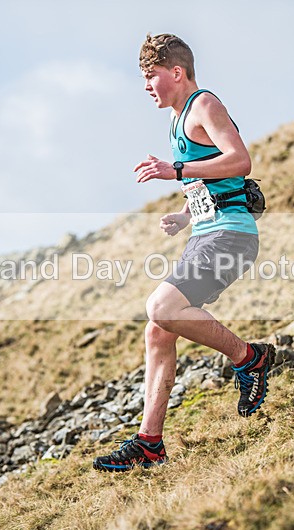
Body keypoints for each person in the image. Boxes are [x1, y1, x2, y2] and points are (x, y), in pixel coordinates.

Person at [92, 33, 275, 472]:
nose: (146, 86)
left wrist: (173, 169)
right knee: (158, 329)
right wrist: (184, 214)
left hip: (231, 236)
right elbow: (213, 184)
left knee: (161, 306)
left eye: (150, 76)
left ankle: (250, 358)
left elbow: (239, 161)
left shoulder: (204, 106)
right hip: (207, 233)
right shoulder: (177, 121)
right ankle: (150, 443)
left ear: (176, 72)